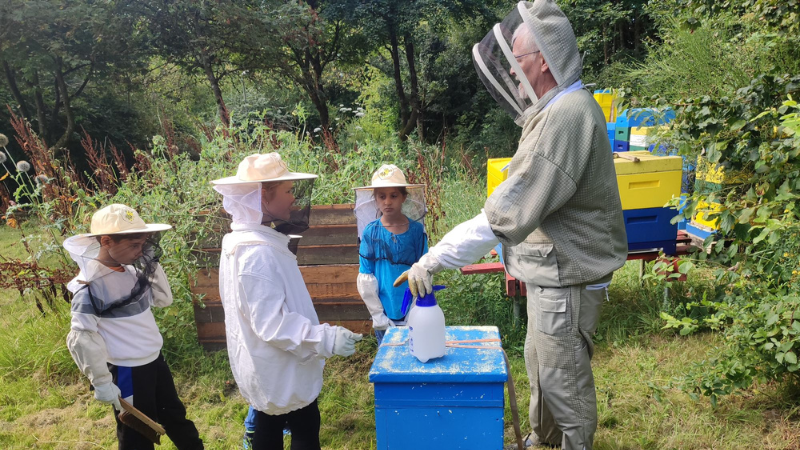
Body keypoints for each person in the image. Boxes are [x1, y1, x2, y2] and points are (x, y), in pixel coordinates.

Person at [399, 1, 628, 449]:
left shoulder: (566, 115)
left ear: (542, 60)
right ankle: (542, 440)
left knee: (564, 381)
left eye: (517, 60)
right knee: (541, 367)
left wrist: (433, 259)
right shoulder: (558, 109)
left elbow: (503, 216)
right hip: (554, 277)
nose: (511, 72)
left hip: (569, 280)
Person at [212, 153, 363, 450]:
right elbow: (272, 323)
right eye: (288, 190)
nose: (294, 198)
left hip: (271, 363)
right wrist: (325, 338)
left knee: (272, 425)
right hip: (279, 364)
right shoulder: (255, 252)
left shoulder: (245, 241)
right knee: (303, 429)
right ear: (263, 197)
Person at [64, 204, 204, 450]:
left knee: (174, 415)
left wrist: (153, 265)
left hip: (154, 360)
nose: (140, 252)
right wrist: (101, 381)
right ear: (106, 241)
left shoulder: (131, 271)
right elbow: (83, 339)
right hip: (127, 370)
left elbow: (163, 299)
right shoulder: (90, 286)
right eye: (134, 245)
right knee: (137, 434)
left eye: (143, 245)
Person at [353, 164, 428, 345]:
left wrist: (416, 308)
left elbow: (424, 269)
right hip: (384, 311)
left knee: (417, 354)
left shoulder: (417, 231)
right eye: (382, 196)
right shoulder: (371, 233)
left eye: (393, 196)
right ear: (375, 199)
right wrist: (378, 315)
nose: (387, 202)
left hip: (413, 308)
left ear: (404, 197)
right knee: (387, 361)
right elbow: (366, 276)